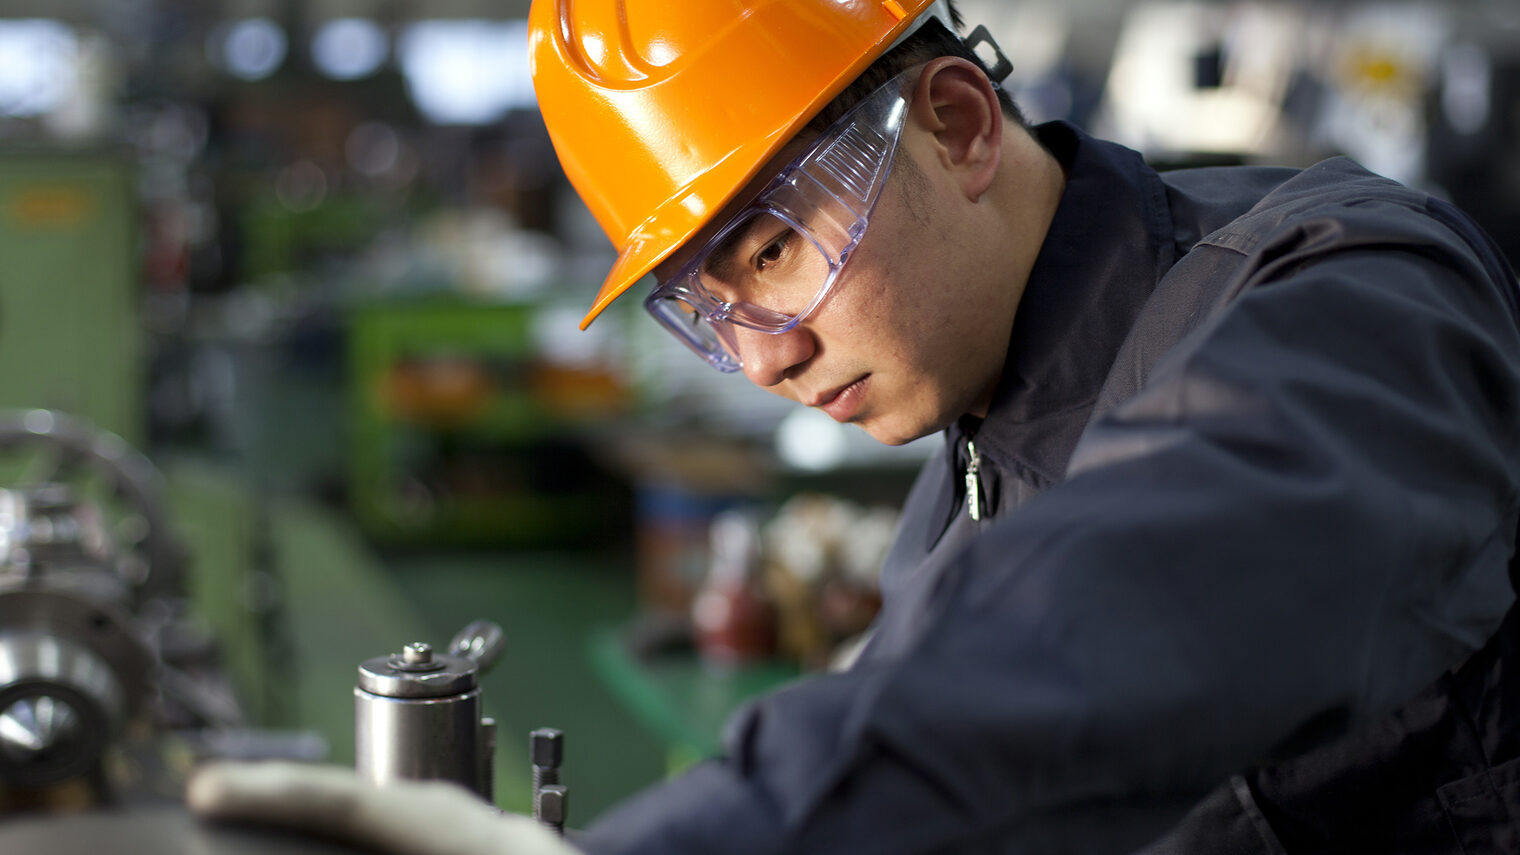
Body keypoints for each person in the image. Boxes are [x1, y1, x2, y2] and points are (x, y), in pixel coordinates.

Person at [190, 1, 1520, 852]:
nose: (762, 357)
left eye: (771, 253)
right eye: (704, 309)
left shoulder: (1348, 295)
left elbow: (1109, 621)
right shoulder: (957, 499)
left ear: (955, 123)